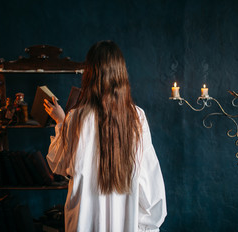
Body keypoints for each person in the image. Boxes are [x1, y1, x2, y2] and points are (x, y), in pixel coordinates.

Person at [44, 41, 167, 232]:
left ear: (89, 74)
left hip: (83, 224)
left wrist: (61, 123)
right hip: (124, 224)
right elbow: (150, 184)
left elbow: (59, 165)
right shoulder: (136, 117)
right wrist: (146, 225)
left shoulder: (75, 118)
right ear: (121, 74)